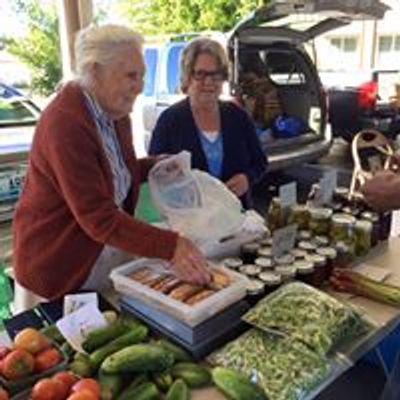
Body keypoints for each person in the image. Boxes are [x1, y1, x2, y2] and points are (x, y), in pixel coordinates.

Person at [12, 24, 210, 311]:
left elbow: (113, 173)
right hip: (57, 265)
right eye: (131, 75)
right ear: (94, 72)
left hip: (94, 253)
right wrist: (172, 245)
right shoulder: (64, 122)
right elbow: (99, 217)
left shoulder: (115, 112)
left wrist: (153, 166)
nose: (140, 86)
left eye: (142, 75)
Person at [149, 37, 267, 208]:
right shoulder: (170, 121)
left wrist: (247, 178)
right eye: (200, 74)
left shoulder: (237, 116)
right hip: (189, 222)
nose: (209, 82)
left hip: (234, 216)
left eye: (216, 74)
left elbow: (260, 162)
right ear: (188, 78)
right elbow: (155, 174)